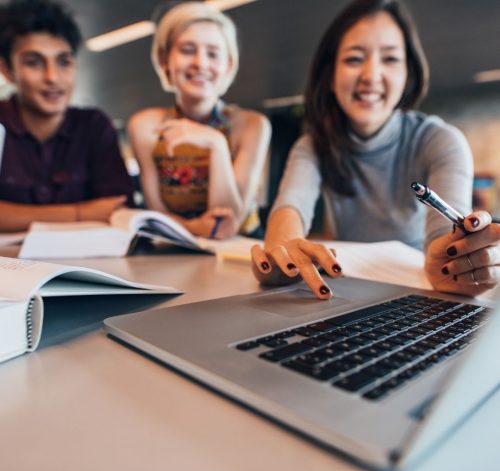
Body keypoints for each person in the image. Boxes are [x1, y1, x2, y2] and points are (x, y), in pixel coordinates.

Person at [252, 0, 500, 299]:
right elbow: (290, 206)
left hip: (418, 292)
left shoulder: (441, 141)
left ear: (408, 72)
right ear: (330, 75)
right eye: (355, 59)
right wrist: (284, 253)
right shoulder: (313, 146)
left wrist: (453, 263)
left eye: (390, 59)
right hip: (347, 293)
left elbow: (443, 235)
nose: (371, 75)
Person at [128, 1, 271, 240]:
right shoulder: (145, 127)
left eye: (213, 54)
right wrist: (195, 229)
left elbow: (229, 223)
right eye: (187, 50)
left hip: (243, 251)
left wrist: (216, 144)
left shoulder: (252, 125)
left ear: (228, 66)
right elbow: (156, 214)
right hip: (175, 249)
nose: (200, 63)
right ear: (165, 60)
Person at [0, 0, 134, 232]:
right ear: (7, 71)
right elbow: (100, 212)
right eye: (34, 63)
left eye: (64, 62)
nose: (52, 77)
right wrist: (82, 213)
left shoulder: (94, 126)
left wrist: (14, 215)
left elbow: (119, 210)